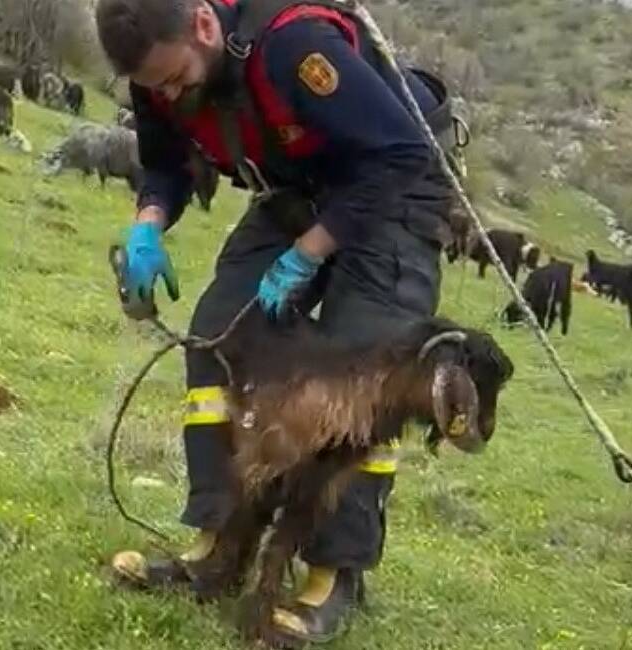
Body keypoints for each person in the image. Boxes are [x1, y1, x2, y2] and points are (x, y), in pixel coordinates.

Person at [94, 0, 464, 644]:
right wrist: (147, 224)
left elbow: (399, 154)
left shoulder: (295, 47)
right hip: (297, 188)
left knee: (363, 372)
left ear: (203, 26)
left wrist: (310, 252)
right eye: (157, 88)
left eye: (177, 79)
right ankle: (221, 547)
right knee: (220, 336)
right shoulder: (156, 67)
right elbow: (164, 162)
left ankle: (331, 577)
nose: (171, 95)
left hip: (392, 191)